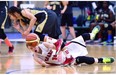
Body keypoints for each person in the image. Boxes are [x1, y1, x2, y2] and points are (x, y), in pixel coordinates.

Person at [25, 25, 114, 67]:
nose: (33, 49)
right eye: (31, 48)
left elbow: (54, 46)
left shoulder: (44, 45)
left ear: (36, 43)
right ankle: (101, 60)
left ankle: (92, 34)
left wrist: (57, 50)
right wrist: (48, 64)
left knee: (82, 37)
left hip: (66, 50)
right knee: (82, 59)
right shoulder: (35, 56)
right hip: (65, 62)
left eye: (33, 46)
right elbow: (44, 64)